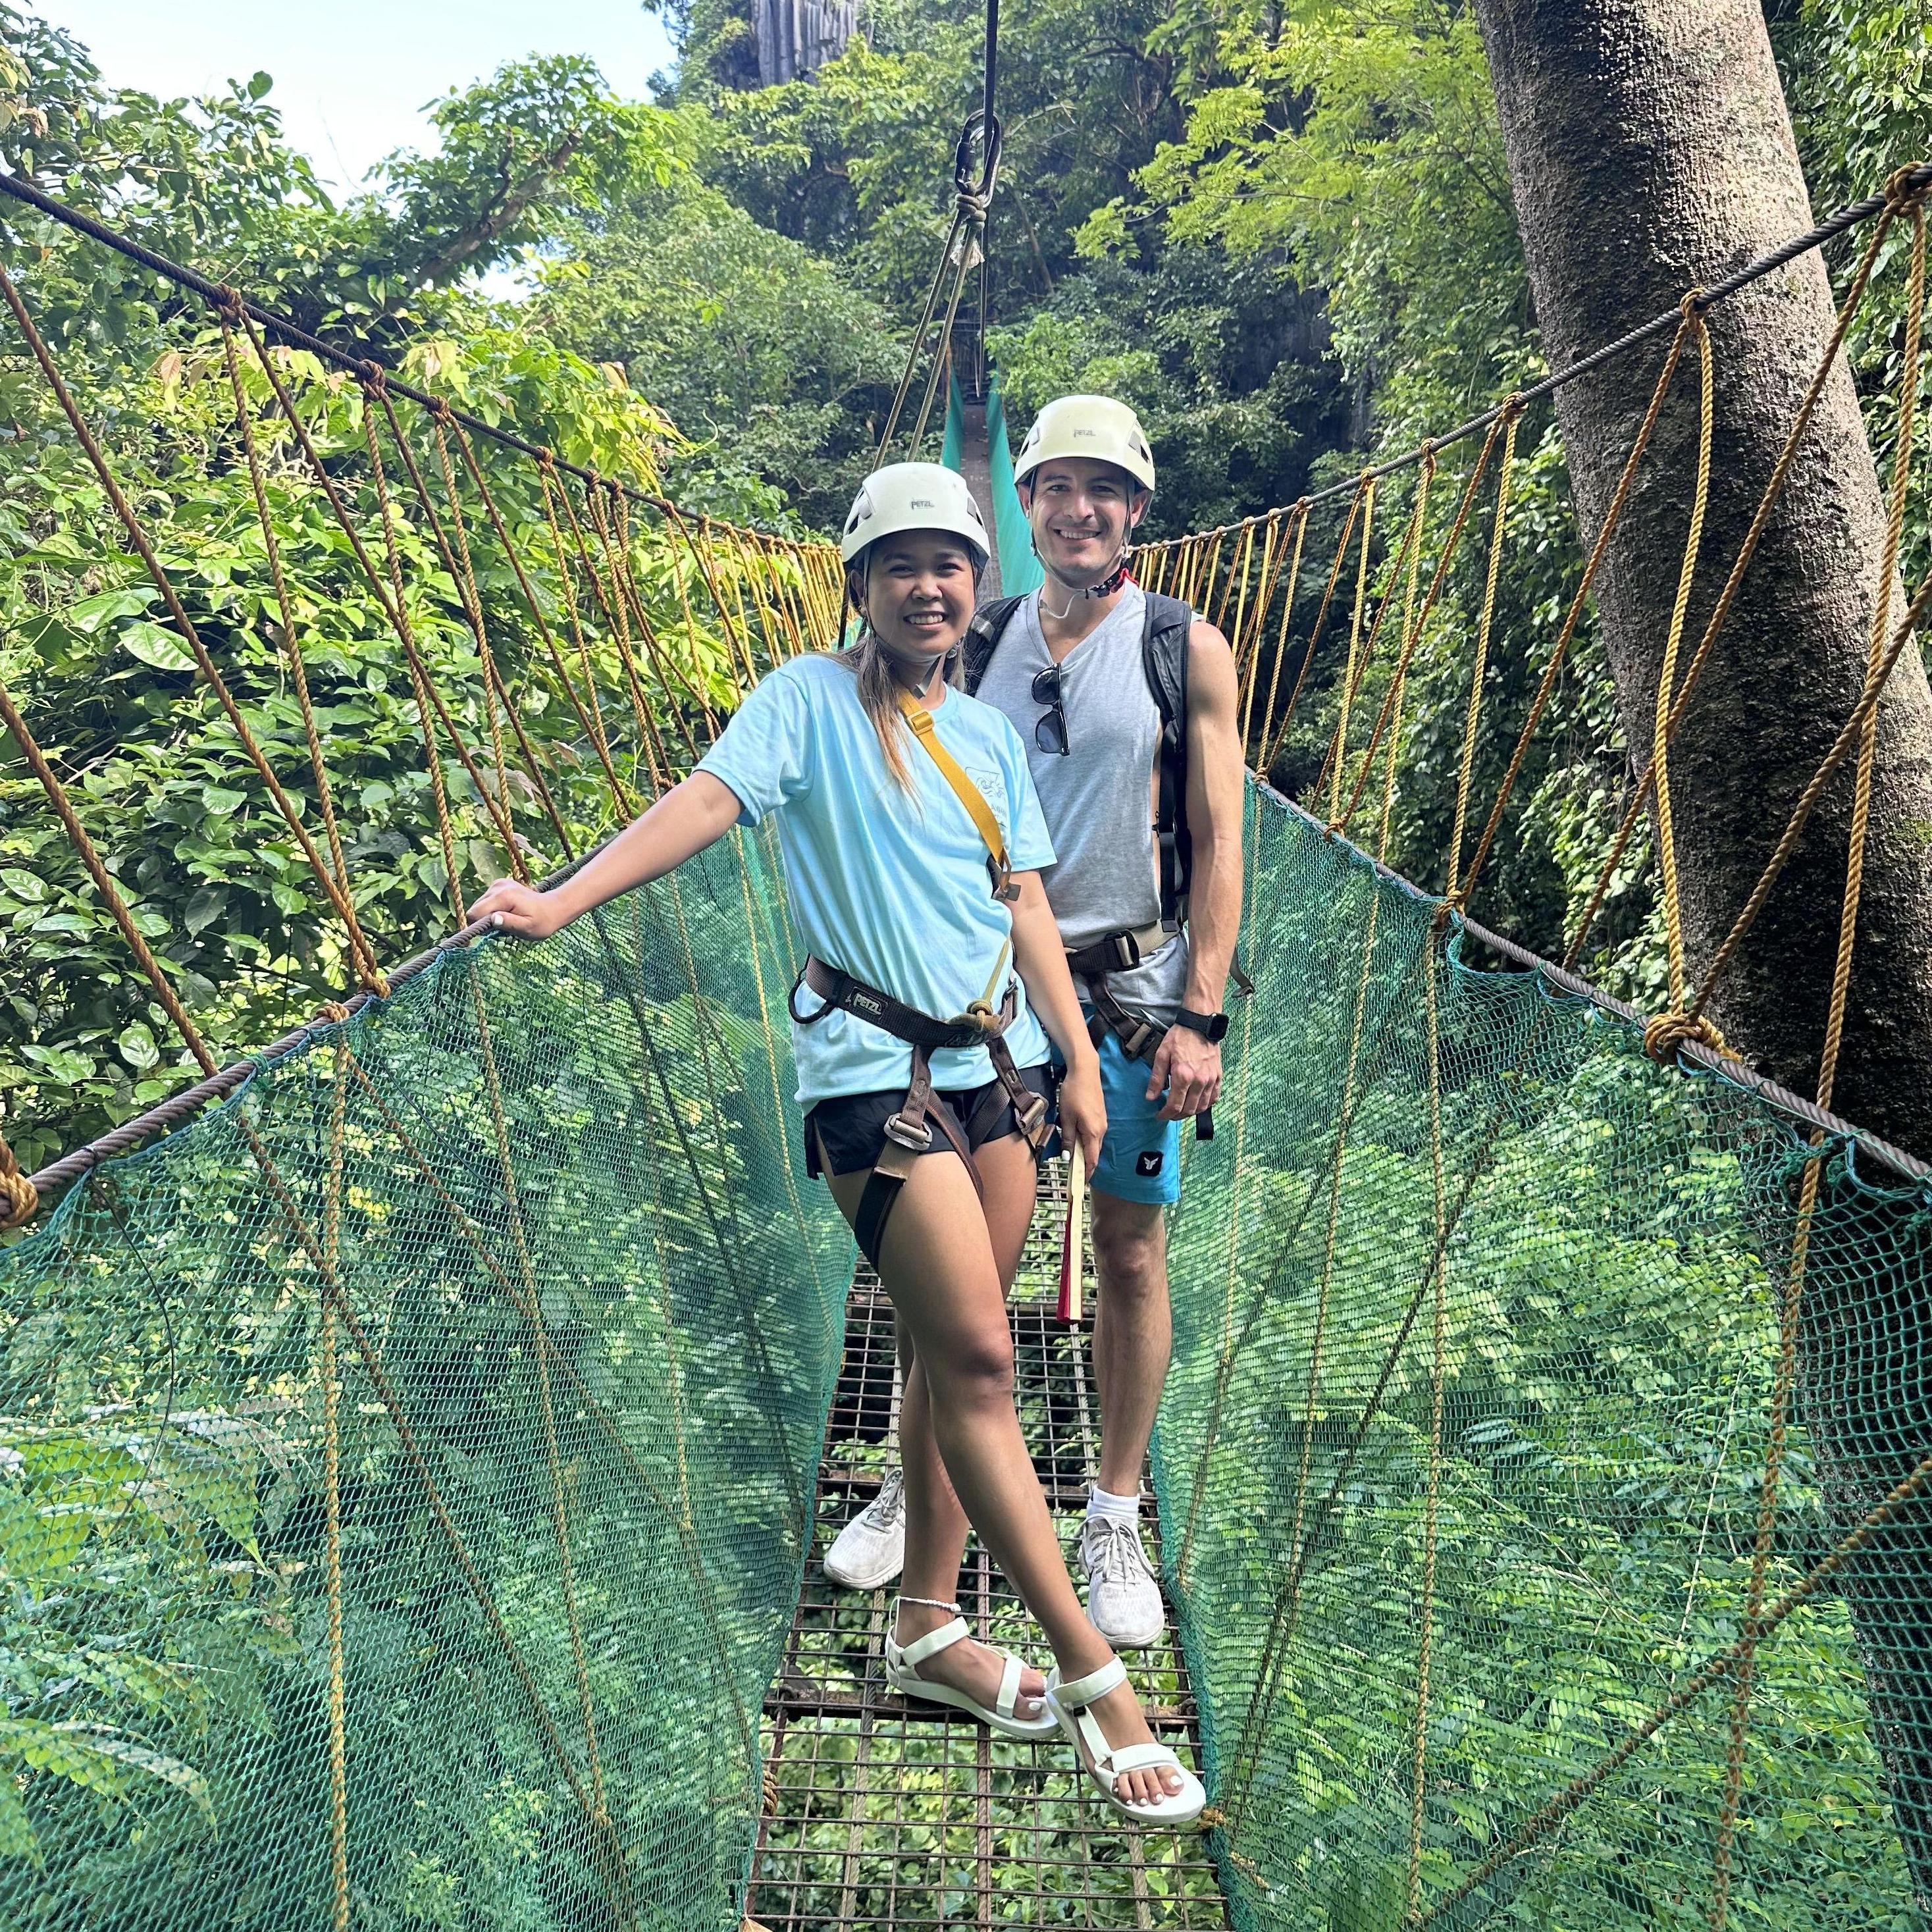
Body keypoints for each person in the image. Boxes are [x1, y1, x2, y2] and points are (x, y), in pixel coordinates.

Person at [471, 461, 1203, 1825]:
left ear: (976, 588)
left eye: (952, 566)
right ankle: (1099, 1677)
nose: (930, 587)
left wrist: (1078, 1065)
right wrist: (563, 900)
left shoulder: (984, 732)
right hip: (873, 1084)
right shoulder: (801, 703)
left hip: (1003, 1076)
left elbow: (1025, 904)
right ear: (860, 585)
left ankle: (928, 1632)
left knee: (948, 1345)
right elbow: (703, 804)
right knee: (983, 1356)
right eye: (901, 565)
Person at [822, 400, 1245, 1654]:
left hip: (1128, 991)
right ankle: (928, 1476)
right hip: (984, 999)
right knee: (959, 1268)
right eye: (1055, 488)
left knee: (1124, 1250)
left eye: (1103, 491)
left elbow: (1222, 842)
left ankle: (1112, 1514)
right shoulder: (982, 633)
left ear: (1138, 512)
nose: (1077, 510)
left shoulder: (1185, 645)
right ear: (1027, 506)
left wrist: (1202, 1015)